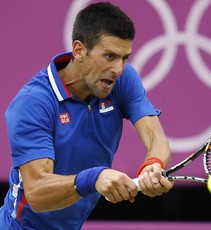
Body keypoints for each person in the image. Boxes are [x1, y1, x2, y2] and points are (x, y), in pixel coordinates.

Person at [0, 2, 174, 229]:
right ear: (79, 50)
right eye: (110, 56)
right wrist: (94, 178)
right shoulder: (33, 103)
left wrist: (154, 163)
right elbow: (37, 193)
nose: (118, 69)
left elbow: (155, 136)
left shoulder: (122, 80)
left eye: (124, 58)